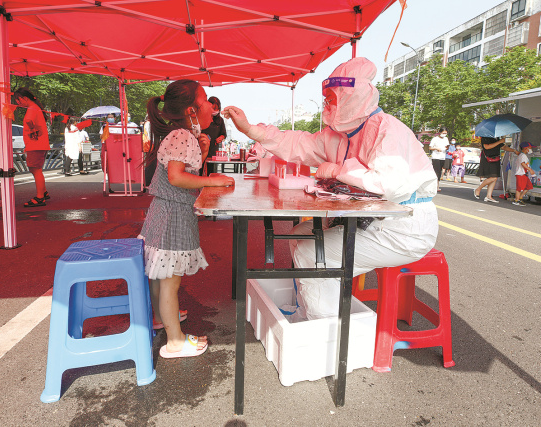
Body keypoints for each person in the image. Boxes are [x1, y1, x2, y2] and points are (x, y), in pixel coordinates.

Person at [224, 57, 438, 320]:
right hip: (370, 221)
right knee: (300, 234)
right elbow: (299, 144)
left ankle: (326, 333)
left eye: (332, 98)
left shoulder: (387, 129)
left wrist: (339, 170)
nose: (327, 104)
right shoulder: (341, 135)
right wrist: (252, 131)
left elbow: (390, 184)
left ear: (352, 97)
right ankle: (312, 311)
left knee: (309, 251)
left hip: (402, 228)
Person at [141, 79, 234, 358]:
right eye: (205, 100)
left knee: (159, 275)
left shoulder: (181, 135)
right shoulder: (181, 136)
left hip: (163, 213)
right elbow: (176, 177)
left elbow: (181, 170)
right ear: (192, 111)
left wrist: (203, 152)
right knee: (171, 279)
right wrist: (213, 182)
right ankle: (175, 342)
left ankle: (161, 318)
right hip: (173, 217)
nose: (211, 107)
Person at [13, 87, 51, 206]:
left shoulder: (32, 108)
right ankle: (43, 192)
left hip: (36, 144)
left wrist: (30, 127)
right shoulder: (36, 108)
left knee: (36, 170)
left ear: (24, 98)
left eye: (18, 100)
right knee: (35, 169)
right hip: (38, 144)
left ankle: (40, 197)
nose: (17, 103)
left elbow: (29, 120)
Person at [474, 136, 519, 203]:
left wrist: (514, 150)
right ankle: (478, 189)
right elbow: (487, 147)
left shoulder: (496, 138)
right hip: (487, 159)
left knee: (494, 177)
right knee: (493, 178)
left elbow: (503, 147)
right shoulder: (485, 137)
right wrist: (499, 142)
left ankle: (489, 196)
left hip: (495, 159)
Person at [200, 96, 227, 175]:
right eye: (213, 108)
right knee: (199, 171)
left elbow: (224, 134)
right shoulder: (202, 117)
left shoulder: (220, 120)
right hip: (201, 149)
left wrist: (220, 138)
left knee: (212, 172)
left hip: (213, 151)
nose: (215, 111)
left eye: (217, 108)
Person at [513, 141, 537, 206]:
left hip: (524, 174)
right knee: (519, 188)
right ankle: (516, 200)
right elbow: (522, 163)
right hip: (520, 174)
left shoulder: (523, 155)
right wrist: (530, 170)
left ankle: (520, 197)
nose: (530, 149)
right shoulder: (522, 155)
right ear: (526, 148)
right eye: (530, 148)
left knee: (529, 186)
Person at [428, 127, 449, 192]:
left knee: (439, 171)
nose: (444, 134)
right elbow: (430, 148)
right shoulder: (435, 139)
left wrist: (447, 147)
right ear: (440, 132)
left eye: (445, 133)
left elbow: (447, 146)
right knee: (437, 171)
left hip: (442, 157)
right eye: (443, 133)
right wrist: (436, 148)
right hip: (436, 157)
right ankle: (436, 186)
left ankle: (435, 184)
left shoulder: (446, 139)